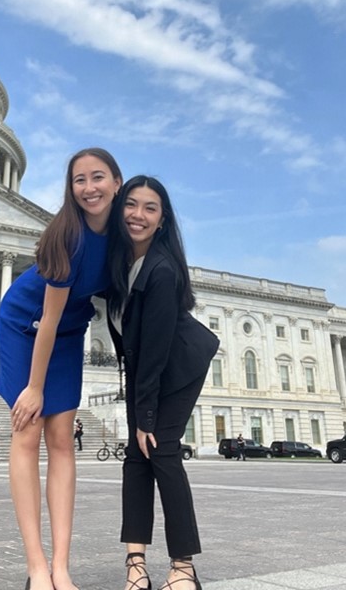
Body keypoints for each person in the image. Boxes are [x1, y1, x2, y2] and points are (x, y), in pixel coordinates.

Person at [0, 148, 122, 590]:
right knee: (27, 431)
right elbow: (45, 320)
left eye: (98, 177)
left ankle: (62, 568)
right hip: (24, 325)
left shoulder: (122, 236)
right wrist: (33, 388)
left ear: (116, 183)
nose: (89, 188)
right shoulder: (67, 236)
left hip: (69, 333)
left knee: (62, 439)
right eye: (79, 180)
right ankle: (36, 567)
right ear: (70, 189)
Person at [106, 176, 219, 590]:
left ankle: (183, 567)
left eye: (149, 208)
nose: (138, 215)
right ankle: (135, 563)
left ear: (162, 219)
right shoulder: (119, 264)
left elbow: (155, 347)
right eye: (131, 205)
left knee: (161, 451)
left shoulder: (162, 269)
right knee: (135, 458)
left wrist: (146, 415)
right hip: (144, 369)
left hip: (178, 367)